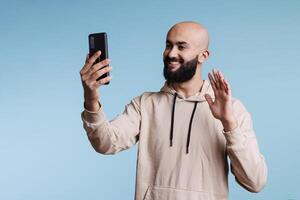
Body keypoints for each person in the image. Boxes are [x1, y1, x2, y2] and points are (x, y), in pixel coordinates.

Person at [80, 21, 267, 200]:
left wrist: (229, 124)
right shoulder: (145, 104)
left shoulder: (232, 109)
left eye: (181, 46)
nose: (171, 53)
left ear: (203, 55)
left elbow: (254, 182)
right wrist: (91, 96)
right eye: (168, 45)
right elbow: (105, 143)